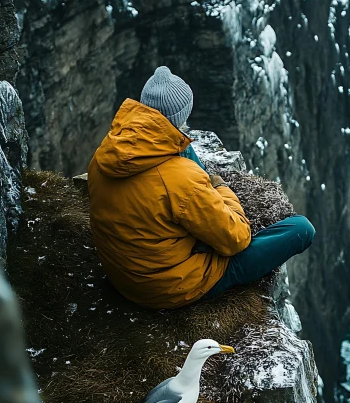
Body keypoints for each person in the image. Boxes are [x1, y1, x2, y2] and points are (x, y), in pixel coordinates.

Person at [87, 66, 315, 309]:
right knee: (301, 229)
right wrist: (218, 185)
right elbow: (237, 238)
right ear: (180, 116)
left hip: (123, 274)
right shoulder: (181, 180)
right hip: (164, 288)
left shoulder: (104, 155)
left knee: (181, 145)